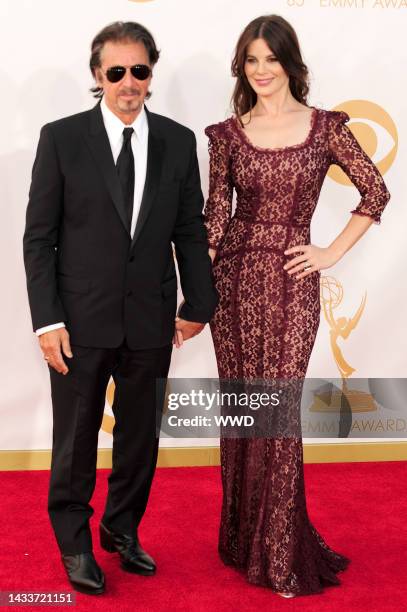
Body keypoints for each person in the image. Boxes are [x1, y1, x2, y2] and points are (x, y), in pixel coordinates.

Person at [23, 21, 217, 595]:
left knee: (140, 438)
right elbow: (40, 238)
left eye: (139, 70)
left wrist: (199, 303)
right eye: (116, 71)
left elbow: (188, 226)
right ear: (97, 75)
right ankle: (75, 542)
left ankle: (121, 528)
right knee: (76, 436)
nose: (128, 82)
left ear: (151, 73)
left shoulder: (179, 142)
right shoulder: (61, 138)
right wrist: (48, 319)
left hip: (152, 319)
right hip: (79, 322)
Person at [204, 14, 390, 598]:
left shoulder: (327, 127)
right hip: (233, 283)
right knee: (244, 409)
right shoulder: (226, 135)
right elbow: (214, 222)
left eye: (270, 58)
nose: (261, 70)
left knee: (278, 413)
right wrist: (189, 296)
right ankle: (243, 541)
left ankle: (280, 551)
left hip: (291, 281)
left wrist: (330, 251)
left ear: (291, 63)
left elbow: (375, 190)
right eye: (250, 60)